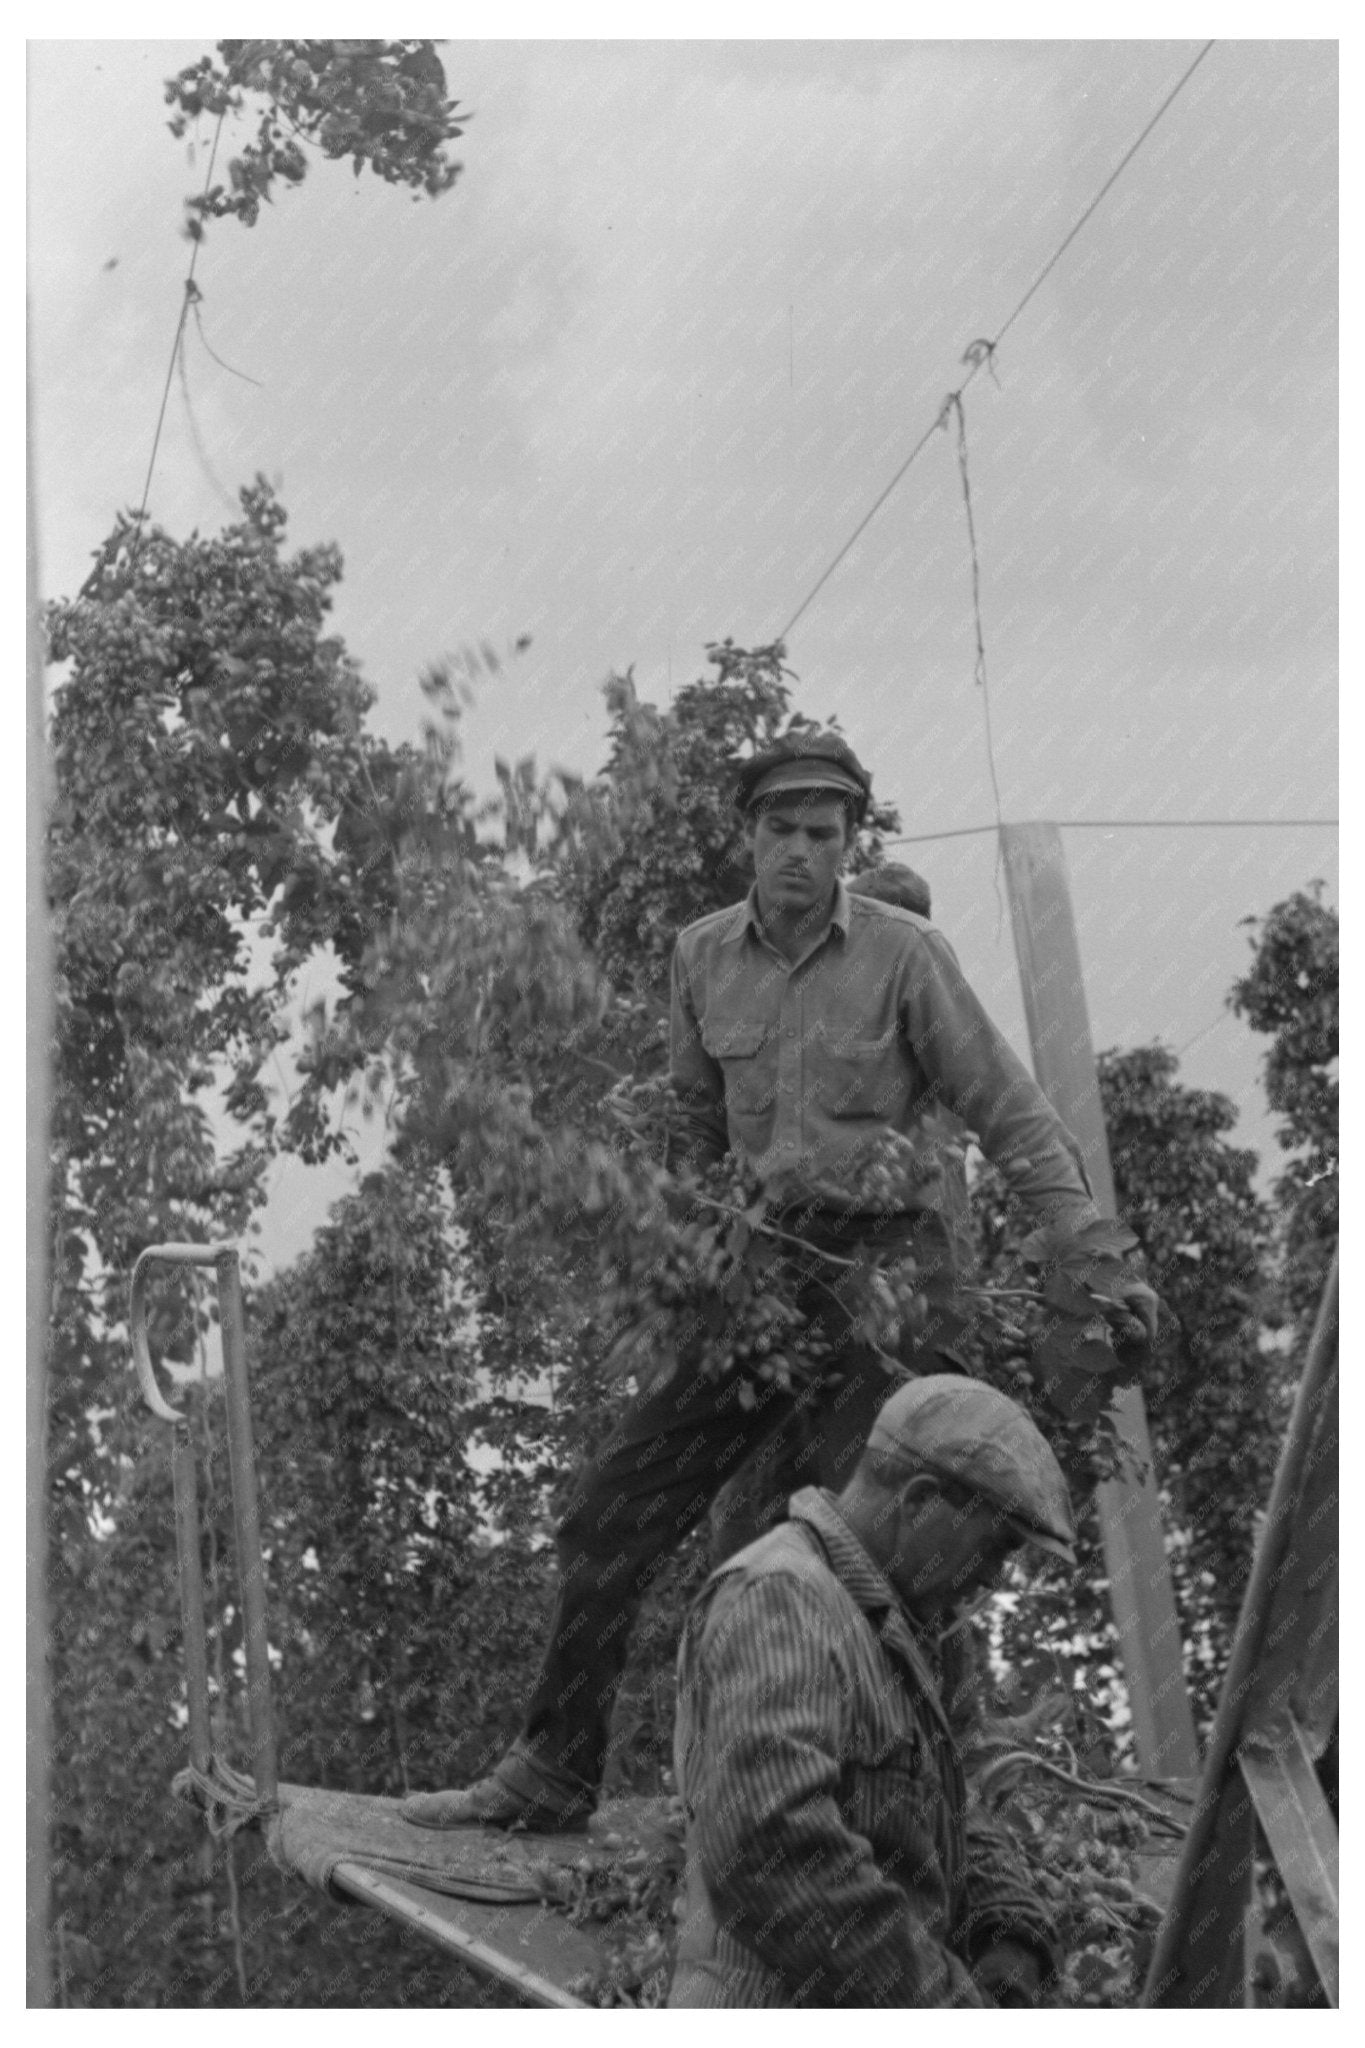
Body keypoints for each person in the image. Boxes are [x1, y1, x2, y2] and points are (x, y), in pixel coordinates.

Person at [401, 730, 1155, 1833]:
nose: (803, 852)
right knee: (613, 1507)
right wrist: (673, 1237)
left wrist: (1086, 1249)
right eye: (782, 831)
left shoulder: (904, 955)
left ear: (850, 842)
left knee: (883, 1545)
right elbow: (695, 1130)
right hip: (763, 1271)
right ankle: (555, 1767)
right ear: (747, 837)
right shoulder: (701, 958)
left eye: (824, 833)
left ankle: (935, 1806)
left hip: (890, 1275)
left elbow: (1010, 1110)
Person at [669, 1375, 1072, 2008]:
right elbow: (776, 1855)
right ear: (918, 1501)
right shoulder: (782, 1597)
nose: (993, 1575)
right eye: (995, 1546)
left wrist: (1009, 1926)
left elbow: (948, 1804)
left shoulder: (897, 1631)